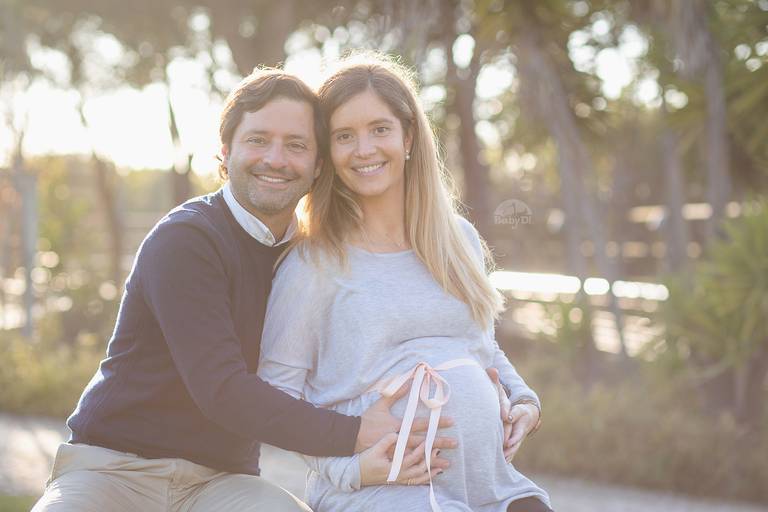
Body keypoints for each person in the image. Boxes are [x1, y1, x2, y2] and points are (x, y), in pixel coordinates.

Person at [32, 68, 454, 512]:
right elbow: (221, 390)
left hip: (221, 483)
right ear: (225, 149)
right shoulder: (187, 239)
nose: (276, 158)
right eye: (258, 140)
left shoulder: (315, 258)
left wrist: (488, 383)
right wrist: (354, 434)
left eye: (296, 145)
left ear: (317, 165)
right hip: (115, 471)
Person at [258, 54, 553, 512]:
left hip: (490, 485)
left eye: (380, 129)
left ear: (408, 136)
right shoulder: (311, 263)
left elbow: (481, 345)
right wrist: (348, 471)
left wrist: (524, 400)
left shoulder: (459, 240)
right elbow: (276, 399)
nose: (364, 149)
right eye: (344, 136)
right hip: (381, 493)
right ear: (327, 153)